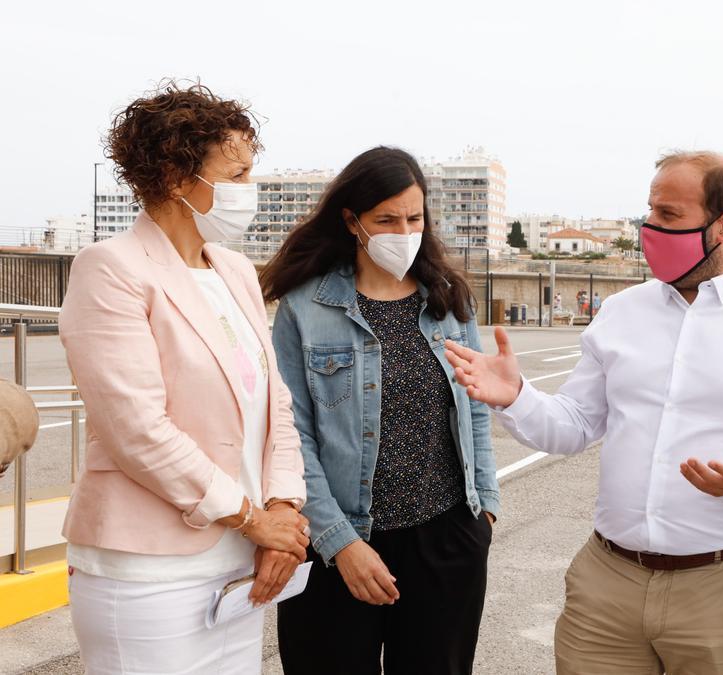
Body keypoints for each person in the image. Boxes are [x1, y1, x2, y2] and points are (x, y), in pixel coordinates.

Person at [445, 151, 723, 675]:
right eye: (650, 212)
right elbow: (574, 425)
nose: (648, 228)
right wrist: (517, 396)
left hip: (721, 587)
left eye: (668, 215)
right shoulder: (622, 312)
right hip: (606, 584)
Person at [58, 82, 308, 674]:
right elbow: (136, 428)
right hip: (149, 574)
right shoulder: (111, 268)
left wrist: (283, 513)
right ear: (175, 177)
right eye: (238, 175)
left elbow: (277, 406)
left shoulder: (236, 271)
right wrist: (253, 518)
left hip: (240, 566)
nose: (251, 191)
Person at [263, 146, 499, 674]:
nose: (403, 231)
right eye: (386, 219)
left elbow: (475, 407)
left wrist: (483, 509)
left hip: (446, 541)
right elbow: (290, 435)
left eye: (414, 218)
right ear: (352, 221)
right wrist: (340, 544)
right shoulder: (305, 308)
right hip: (336, 545)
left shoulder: (448, 298)